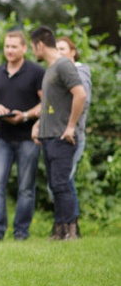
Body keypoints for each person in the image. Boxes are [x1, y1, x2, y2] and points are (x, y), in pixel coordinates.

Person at [0, 31, 45, 242]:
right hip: (2, 138)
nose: (9, 50)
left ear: (24, 48)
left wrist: (25, 115)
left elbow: (46, 103)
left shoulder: (36, 72)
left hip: (28, 137)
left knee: (26, 188)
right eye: (7, 46)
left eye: (14, 46)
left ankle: (21, 232)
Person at [30, 27, 86, 240]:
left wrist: (71, 126)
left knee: (62, 184)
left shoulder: (63, 65)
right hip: (48, 136)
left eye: (33, 46)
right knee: (55, 184)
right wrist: (38, 126)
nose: (33, 51)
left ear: (40, 45)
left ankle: (70, 231)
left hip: (62, 136)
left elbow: (80, 95)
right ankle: (59, 229)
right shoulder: (50, 69)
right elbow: (49, 104)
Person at [56, 37, 91, 234]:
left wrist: (70, 126)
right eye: (56, 49)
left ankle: (71, 226)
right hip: (59, 135)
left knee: (64, 182)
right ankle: (66, 226)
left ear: (73, 51)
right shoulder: (60, 73)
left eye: (63, 48)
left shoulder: (79, 73)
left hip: (73, 135)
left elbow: (82, 99)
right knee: (63, 182)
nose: (59, 52)